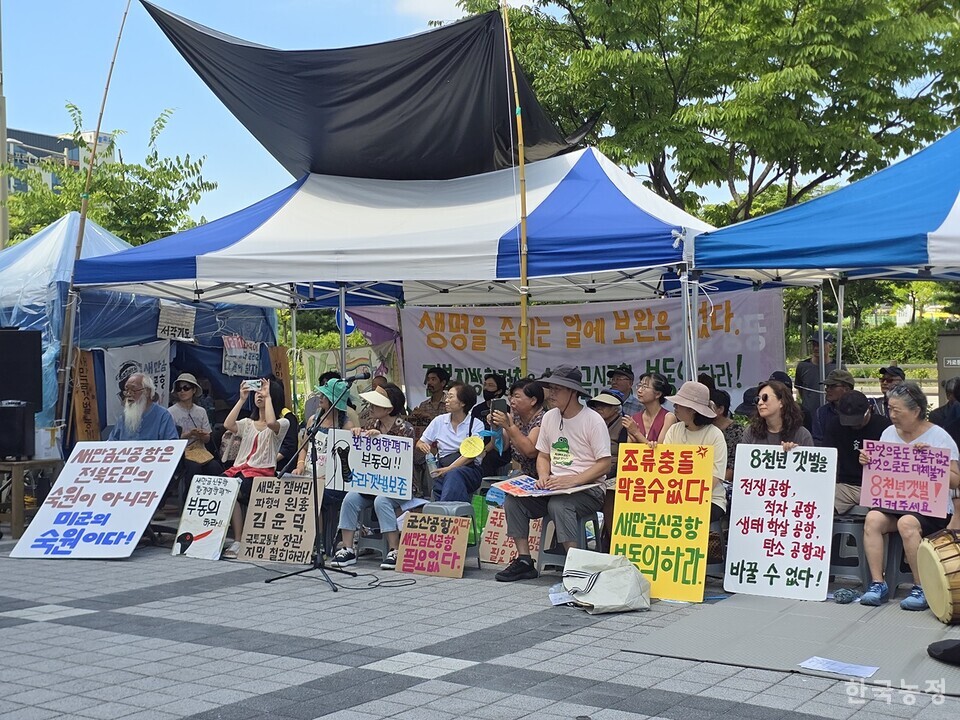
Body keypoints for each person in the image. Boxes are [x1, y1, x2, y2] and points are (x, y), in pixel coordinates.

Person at [495, 365, 610, 582]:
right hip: (554, 486)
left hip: (589, 489)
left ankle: (575, 564)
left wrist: (573, 480)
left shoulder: (592, 419)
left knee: (558, 505)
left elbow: (604, 464)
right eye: (552, 388)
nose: (552, 394)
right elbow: (543, 455)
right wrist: (543, 476)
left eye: (558, 389)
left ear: (573, 392)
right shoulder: (549, 418)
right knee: (514, 500)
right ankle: (524, 560)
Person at [858, 382, 960, 610]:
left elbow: (956, 480)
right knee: (873, 519)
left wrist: (932, 460)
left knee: (907, 523)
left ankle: (921, 586)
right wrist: (867, 460)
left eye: (897, 410)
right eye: (889, 409)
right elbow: (880, 471)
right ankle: (878, 583)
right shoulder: (888, 433)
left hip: (930, 509)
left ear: (915, 411)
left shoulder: (939, 437)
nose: (892, 415)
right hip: (895, 503)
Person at [331, 384, 415, 570]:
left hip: (397, 486)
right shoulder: (370, 424)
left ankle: (394, 549)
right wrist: (357, 433)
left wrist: (383, 439)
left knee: (381, 501)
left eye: (376, 405)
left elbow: (404, 459)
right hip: (370, 485)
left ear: (389, 409)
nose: (371, 408)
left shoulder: (405, 429)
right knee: (350, 499)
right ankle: (348, 548)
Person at [222, 379, 290, 559]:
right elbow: (228, 425)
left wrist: (267, 398)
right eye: (257, 392)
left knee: (234, 488)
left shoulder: (283, 423)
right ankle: (219, 538)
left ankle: (238, 540)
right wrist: (242, 399)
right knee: (220, 485)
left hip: (262, 474)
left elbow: (270, 423)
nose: (259, 395)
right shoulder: (247, 423)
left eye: (263, 392)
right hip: (240, 470)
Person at [662, 382, 728, 522]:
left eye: (679, 404)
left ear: (692, 409)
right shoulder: (674, 430)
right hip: (674, 497)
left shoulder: (714, 435)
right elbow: (665, 466)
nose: (675, 407)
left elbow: (714, 478)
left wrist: (687, 496)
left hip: (710, 499)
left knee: (685, 516)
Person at [823, 390, 890, 515]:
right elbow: (828, 457)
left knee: (881, 515)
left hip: (877, 487)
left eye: (858, 421)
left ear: (869, 409)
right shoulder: (834, 425)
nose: (853, 425)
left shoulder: (884, 427)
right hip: (845, 486)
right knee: (821, 501)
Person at [416, 382, 484, 502]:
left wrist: (449, 469)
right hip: (442, 466)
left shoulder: (476, 424)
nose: (446, 400)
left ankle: (446, 512)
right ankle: (454, 514)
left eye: (451, 397)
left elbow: (471, 455)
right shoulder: (439, 421)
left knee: (453, 474)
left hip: (469, 470)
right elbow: (420, 443)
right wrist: (423, 446)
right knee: (447, 478)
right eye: (446, 396)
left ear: (463, 402)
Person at [167, 372, 223, 498]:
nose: (182, 391)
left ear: (193, 390)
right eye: (179, 388)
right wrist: (188, 434)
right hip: (182, 453)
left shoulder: (201, 411)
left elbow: (208, 438)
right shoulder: (170, 412)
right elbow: (171, 440)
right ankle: (190, 499)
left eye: (186, 388)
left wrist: (201, 435)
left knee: (215, 467)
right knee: (194, 467)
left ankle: (215, 499)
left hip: (200, 451)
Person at [587, 388, 628, 552]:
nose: (599, 408)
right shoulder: (593, 423)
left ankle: (612, 544)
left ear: (616, 408)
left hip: (614, 473)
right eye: (597, 405)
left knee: (611, 495)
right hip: (589, 470)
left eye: (604, 405)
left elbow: (626, 455)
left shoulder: (624, 425)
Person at [407, 366, 450, 498]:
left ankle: (433, 498)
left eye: (433, 379)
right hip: (425, 447)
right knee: (410, 457)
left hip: (444, 448)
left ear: (443, 383)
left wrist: (429, 418)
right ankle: (416, 495)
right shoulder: (423, 405)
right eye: (428, 379)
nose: (429, 383)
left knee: (430, 461)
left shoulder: (449, 404)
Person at [489, 379, 545, 479]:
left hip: (544, 478)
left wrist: (508, 426)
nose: (511, 401)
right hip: (526, 476)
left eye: (517, 396)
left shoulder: (543, 419)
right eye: (511, 396)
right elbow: (501, 447)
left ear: (533, 400)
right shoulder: (515, 417)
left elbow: (530, 451)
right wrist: (496, 427)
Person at [743, 380, 814, 450]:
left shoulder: (802, 435)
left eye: (765, 397)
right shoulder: (750, 432)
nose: (760, 403)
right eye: (757, 399)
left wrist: (795, 452)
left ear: (782, 402)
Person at [109, 373, 179, 442]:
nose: (128, 394)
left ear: (147, 392)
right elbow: (111, 443)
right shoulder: (124, 417)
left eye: (133, 390)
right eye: (126, 390)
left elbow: (172, 445)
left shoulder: (163, 415)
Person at [473, 373, 511, 476]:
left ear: (499, 391)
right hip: (478, 446)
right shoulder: (477, 409)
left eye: (490, 385)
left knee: (488, 459)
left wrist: (484, 450)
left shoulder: (506, 410)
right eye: (485, 385)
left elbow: (501, 434)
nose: (486, 388)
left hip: (498, 448)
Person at [622, 372, 676, 444]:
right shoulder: (634, 418)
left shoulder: (668, 417)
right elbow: (630, 448)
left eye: (644, 387)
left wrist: (636, 433)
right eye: (639, 386)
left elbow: (661, 449)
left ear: (658, 394)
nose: (639, 390)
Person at [794, 332, 837, 415]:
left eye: (820, 345)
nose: (816, 348)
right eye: (814, 345)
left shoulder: (838, 367)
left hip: (832, 414)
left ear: (830, 347)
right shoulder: (803, 366)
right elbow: (800, 389)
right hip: (808, 415)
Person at [812, 369, 856, 444]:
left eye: (832, 386)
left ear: (847, 389)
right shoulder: (821, 412)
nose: (827, 389)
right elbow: (817, 441)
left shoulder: (859, 410)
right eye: (827, 386)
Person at [710, 388, 742, 483]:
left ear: (720, 409)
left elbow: (733, 466)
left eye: (709, 407)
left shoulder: (737, 431)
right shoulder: (704, 428)